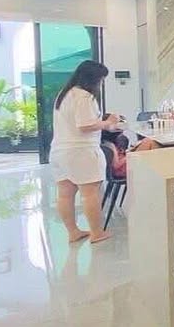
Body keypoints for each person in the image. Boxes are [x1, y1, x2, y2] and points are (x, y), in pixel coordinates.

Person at [50, 60, 121, 244]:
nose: (101, 84)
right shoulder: (84, 96)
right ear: (93, 78)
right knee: (90, 193)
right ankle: (97, 233)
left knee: (65, 194)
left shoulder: (64, 95)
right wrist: (108, 122)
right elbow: (85, 125)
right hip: (81, 151)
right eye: (101, 79)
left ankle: (73, 232)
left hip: (59, 151)